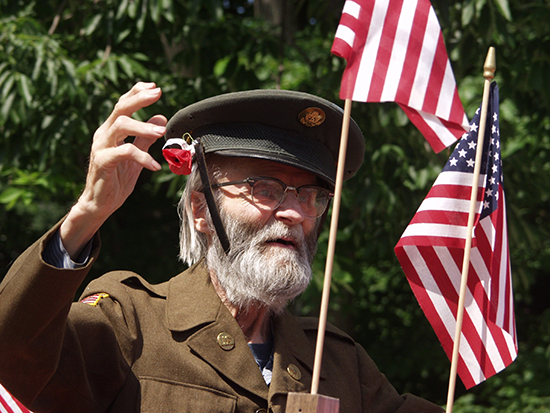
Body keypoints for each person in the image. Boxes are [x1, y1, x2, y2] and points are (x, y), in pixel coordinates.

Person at [0, 82, 444, 412]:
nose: (295, 213)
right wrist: (87, 215)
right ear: (200, 210)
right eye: (265, 189)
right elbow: (15, 357)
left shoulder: (342, 363)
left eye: (310, 196)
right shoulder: (131, 321)